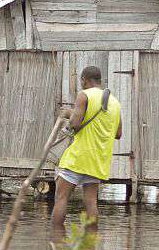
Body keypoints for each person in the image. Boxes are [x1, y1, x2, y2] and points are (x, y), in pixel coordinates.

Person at [52, 66, 122, 231]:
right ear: (99, 80)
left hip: (79, 157)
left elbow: (75, 124)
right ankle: (90, 241)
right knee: (91, 202)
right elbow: (118, 134)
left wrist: (69, 114)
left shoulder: (84, 95)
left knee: (61, 198)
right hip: (98, 160)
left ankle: (56, 238)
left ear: (84, 80)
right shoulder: (115, 103)